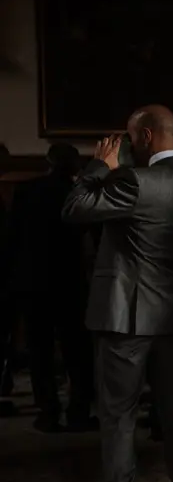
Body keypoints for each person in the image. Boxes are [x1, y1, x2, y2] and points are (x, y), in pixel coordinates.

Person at [62, 105, 173, 482]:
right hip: (172, 315)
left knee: (119, 415)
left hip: (127, 316)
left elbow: (73, 210)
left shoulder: (133, 181)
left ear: (145, 136)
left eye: (128, 139)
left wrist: (96, 168)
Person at [5, 143, 97, 432]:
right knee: (78, 353)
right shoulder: (78, 193)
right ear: (74, 166)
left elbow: (13, 239)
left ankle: (48, 411)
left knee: (40, 352)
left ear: (49, 161)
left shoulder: (26, 191)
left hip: (34, 282)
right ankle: (78, 412)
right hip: (70, 281)